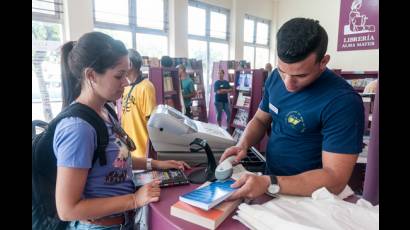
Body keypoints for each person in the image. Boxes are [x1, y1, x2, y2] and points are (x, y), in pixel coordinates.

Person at [56, 31, 190, 229]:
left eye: (127, 74)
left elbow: (116, 159)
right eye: (119, 76)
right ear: (91, 75)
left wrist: (155, 163)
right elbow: (67, 209)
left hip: (121, 221)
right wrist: (134, 200)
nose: (126, 82)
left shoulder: (104, 110)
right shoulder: (78, 129)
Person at [220, 18, 364, 200]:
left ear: (323, 61)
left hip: (311, 198)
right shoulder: (274, 78)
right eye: (282, 71)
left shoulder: (343, 102)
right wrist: (243, 144)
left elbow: (335, 179)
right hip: (269, 182)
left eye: (301, 75)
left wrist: (270, 183)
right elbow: (259, 119)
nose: (288, 84)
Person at [121, 49, 156, 159]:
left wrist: (149, 152)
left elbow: (151, 122)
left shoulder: (146, 87)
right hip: (128, 148)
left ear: (130, 64)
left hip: (142, 151)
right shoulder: (126, 86)